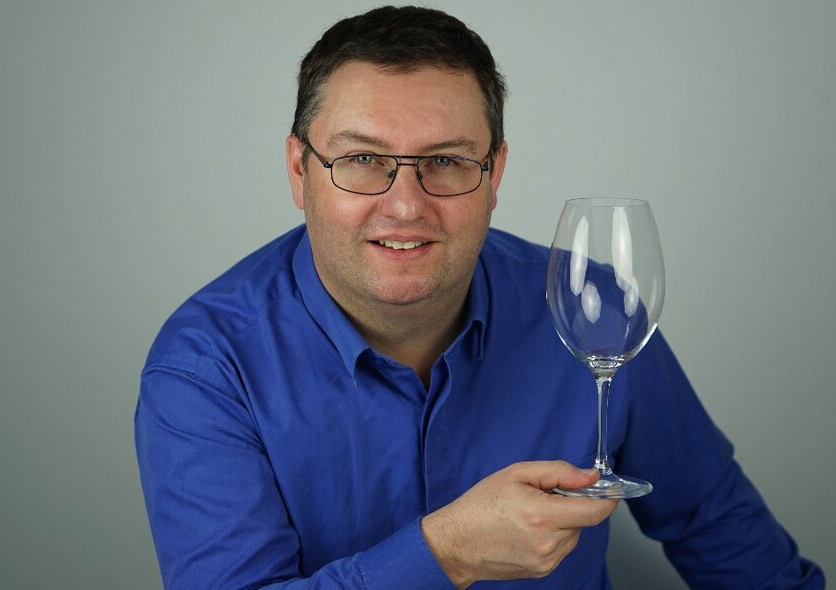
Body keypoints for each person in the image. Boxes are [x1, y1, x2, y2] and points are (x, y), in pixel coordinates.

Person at [134, 6, 824, 589]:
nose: (405, 206)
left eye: (446, 161)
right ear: (299, 171)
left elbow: (718, 524)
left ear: (494, 173)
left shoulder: (594, 309)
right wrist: (447, 552)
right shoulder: (204, 368)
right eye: (363, 160)